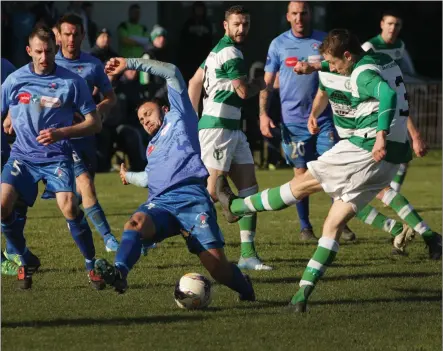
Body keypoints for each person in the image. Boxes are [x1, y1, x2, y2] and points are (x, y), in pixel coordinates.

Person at [216, 29, 442, 312]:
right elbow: (369, 77)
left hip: (365, 148)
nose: (333, 69)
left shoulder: (362, 74)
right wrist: (315, 65)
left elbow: (385, 94)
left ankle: (236, 205)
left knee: (299, 186)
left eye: (334, 64)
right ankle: (300, 298)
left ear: (347, 56)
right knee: (332, 225)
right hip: (389, 162)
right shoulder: (381, 58)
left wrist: (380, 135)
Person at [92, 56, 256, 304]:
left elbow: (172, 71)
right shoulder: (151, 149)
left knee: (217, 268)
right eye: (141, 119)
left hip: (192, 200)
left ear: (165, 108)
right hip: (160, 203)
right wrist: (128, 176)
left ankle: (245, 287)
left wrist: (129, 63)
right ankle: (119, 273)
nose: (144, 120)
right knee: (134, 224)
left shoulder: (181, 116)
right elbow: (150, 178)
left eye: (147, 113)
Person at [1, 26, 104, 290]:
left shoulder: (72, 82)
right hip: (22, 156)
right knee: (2, 206)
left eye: (48, 51)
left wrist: (62, 133)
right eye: (38, 52)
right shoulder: (14, 80)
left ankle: (92, 264)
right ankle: (24, 257)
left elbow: (95, 124)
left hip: (56, 157)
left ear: (55, 50)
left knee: (69, 206)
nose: (44, 57)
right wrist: (10, 116)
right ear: (29, 51)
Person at [309, 62, 433, 256]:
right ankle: (403, 230)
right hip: (355, 139)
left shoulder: (363, 70)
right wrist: (313, 114)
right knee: (346, 195)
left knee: (373, 191)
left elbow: (392, 98)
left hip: (366, 140)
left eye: (332, 61)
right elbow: (322, 92)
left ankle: (428, 235)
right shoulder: (348, 65)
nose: (332, 66)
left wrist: (411, 135)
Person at [259, 1, 356, 242]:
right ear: (288, 16)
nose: (299, 17)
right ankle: (305, 228)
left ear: (310, 14)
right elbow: (267, 82)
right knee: (301, 174)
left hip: (324, 119)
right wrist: (262, 114)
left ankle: (339, 223)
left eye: (303, 12)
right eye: (295, 13)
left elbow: (340, 71)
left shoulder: (325, 41)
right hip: (292, 123)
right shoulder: (278, 44)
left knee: (335, 171)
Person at [188, 5, 272, 271]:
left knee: (249, 188)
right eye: (236, 24)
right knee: (211, 192)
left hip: (231, 128)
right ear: (225, 25)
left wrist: (192, 119)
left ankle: (247, 255)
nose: (241, 29)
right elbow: (244, 91)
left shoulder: (216, 52)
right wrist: (262, 83)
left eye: (245, 24)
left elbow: (194, 82)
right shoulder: (231, 52)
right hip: (218, 129)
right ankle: (159, 225)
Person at [52, 14, 119, 251]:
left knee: (81, 193)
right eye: (66, 34)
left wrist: (100, 108)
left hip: (87, 136)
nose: (71, 39)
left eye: (75, 34)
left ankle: (77, 222)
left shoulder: (93, 64)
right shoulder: (50, 64)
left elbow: (111, 97)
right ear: (57, 35)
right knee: (85, 184)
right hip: (61, 139)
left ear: (82, 35)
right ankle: (109, 239)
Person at [361, 10, 423, 193]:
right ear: (381, 24)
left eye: (397, 25)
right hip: (373, 106)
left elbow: (409, 71)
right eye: (389, 23)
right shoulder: (369, 46)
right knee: (372, 156)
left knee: (404, 155)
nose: (392, 28)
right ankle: (370, 191)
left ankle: (391, 193)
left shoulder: (400, 46)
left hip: (394, 104)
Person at [178, 1, 213, 83]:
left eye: (201, 9)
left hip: (203, 57)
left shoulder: (207, 23)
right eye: (197, 9)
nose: (199, 11)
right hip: (189, 58)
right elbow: (183, 39)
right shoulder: (188, 23)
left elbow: (210, 39)